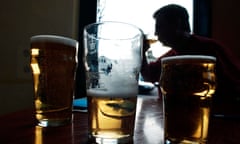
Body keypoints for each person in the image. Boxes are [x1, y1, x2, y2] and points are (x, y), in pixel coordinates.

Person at [141, 4, 240, 110]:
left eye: (160, 27)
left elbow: (235, 84)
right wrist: (141, 51)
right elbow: (148, 76)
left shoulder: (211, 49)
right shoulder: (171, 56)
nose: (156, 33)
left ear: (177, 24)